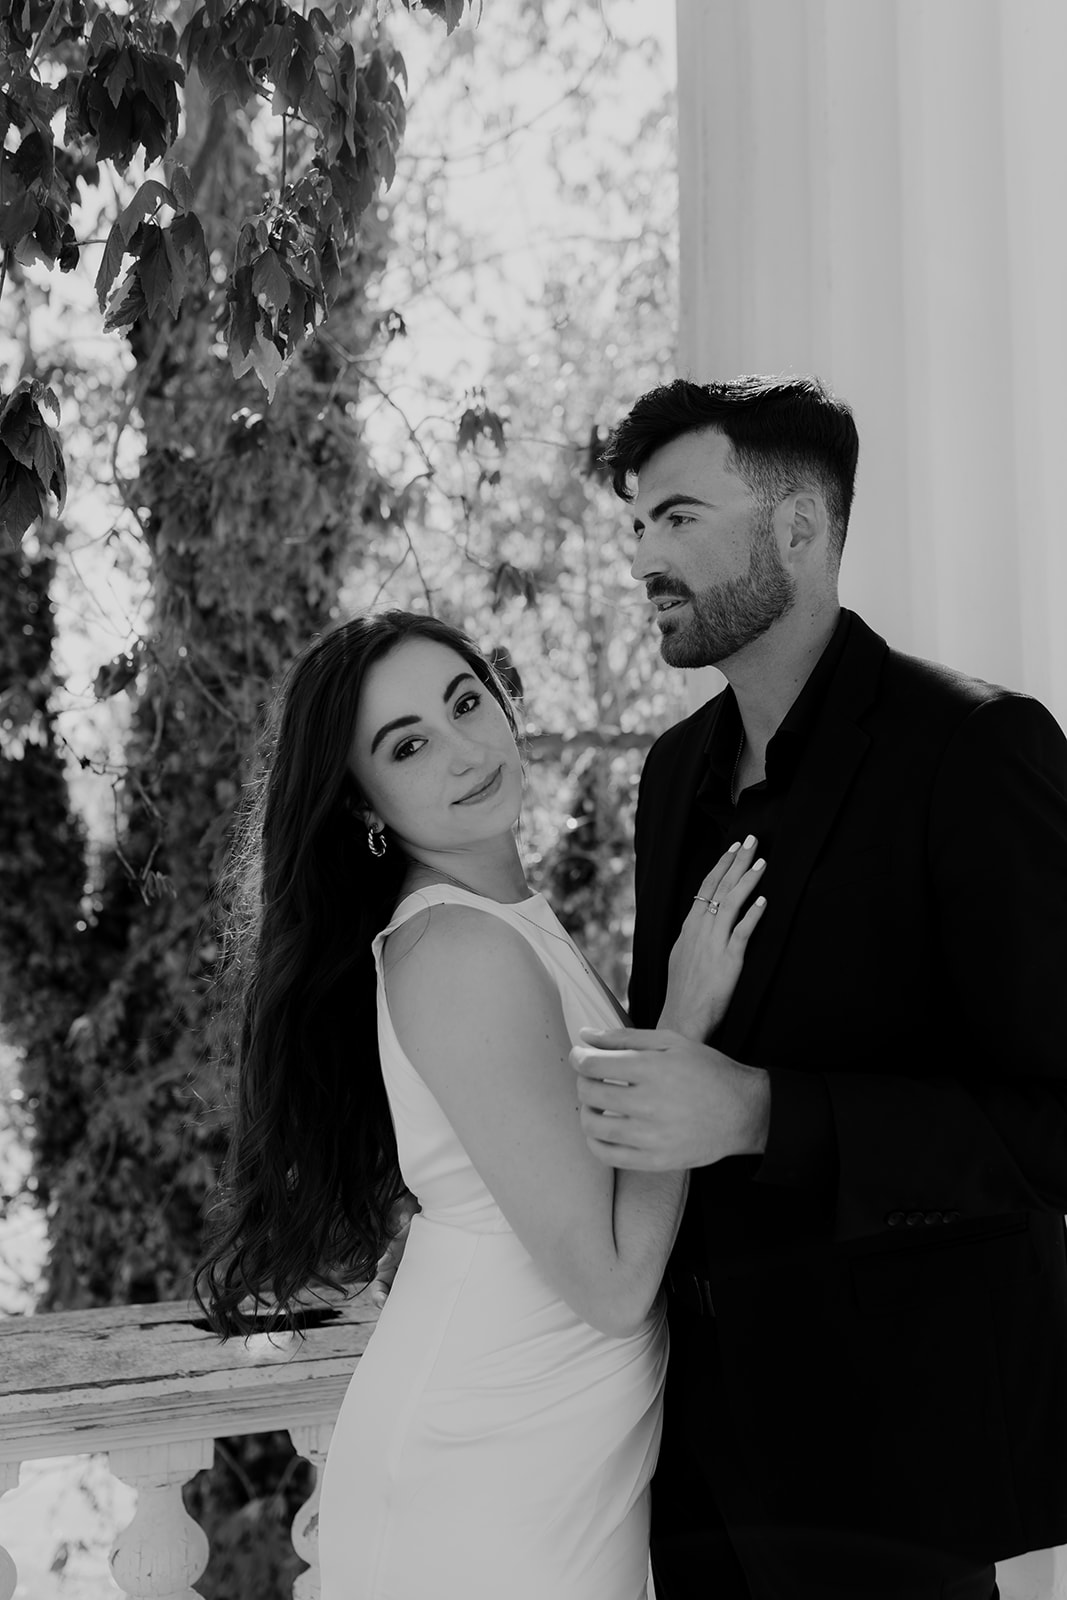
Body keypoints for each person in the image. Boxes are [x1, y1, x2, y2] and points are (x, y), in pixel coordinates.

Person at [570, 374, 1067, 1600]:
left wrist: (760, 1112)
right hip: (689, 1468)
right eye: (636, 524)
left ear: (797, 530)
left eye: (677, 516)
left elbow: (1054, 1125)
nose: (643, 554)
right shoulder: (670, 772)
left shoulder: (976, 749)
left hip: (892, 1473)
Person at [196, 609, 769, 1600]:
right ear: (361, 803)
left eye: (466, 702)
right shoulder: (457, 949)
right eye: (408, 744)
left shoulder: (500, 923)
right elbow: (611, 1282)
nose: (462, 750)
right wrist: (681, 1023)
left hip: (553, 1446)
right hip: (490, 1469)